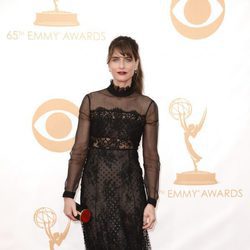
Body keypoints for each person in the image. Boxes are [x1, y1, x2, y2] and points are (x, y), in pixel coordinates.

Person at [63, 35, 160, 250]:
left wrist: (151, 201)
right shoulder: (91, 100)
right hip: (95, 190)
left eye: (127, 59)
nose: (122, 65)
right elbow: (79, 150)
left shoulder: (147, 106)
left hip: (130, 191)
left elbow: (151, 158)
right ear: (108, 64)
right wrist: (69, 194)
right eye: (116, 59)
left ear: (136, 64)